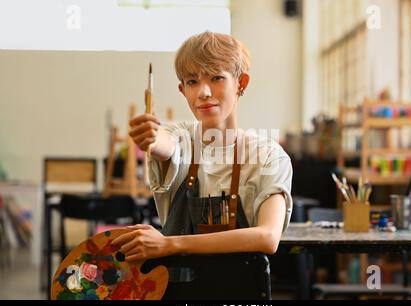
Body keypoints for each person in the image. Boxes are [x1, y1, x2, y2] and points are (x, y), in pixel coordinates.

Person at [112, 31, 293, 261]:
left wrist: (170, 244)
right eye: (192, 82)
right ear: (183, 90)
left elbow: (267, 237)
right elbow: (164, 143)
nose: (203, 93)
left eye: (216, 78)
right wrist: (151, 136)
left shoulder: (268, 156)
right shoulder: (179, 137)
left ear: (241, 83)